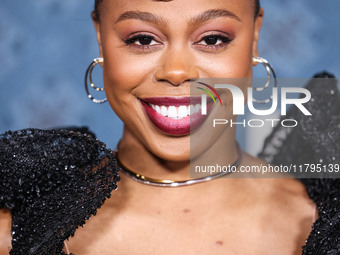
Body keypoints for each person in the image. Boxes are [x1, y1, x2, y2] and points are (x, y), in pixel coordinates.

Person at [0, 0, 339, 254]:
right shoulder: (17, 230)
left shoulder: (322, 218)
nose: (177, 72)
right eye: (143, 39)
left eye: (213, 38)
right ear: (101, 38)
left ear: (254, 37)